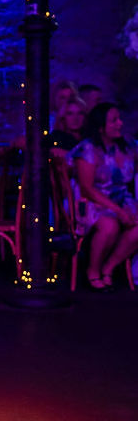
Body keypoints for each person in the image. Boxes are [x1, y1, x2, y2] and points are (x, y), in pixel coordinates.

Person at [70, 101, 138, 289]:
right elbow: (87, 188)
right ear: (101, 128)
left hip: (123, 201)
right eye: (114, 121)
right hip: (94, 202)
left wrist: (125, 209)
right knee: (110, 226)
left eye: (119, 119)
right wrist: (118, 211)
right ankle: (93, 269)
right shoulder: (88, 149)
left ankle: (109, 267)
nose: (120, 124)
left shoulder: (128, 146)